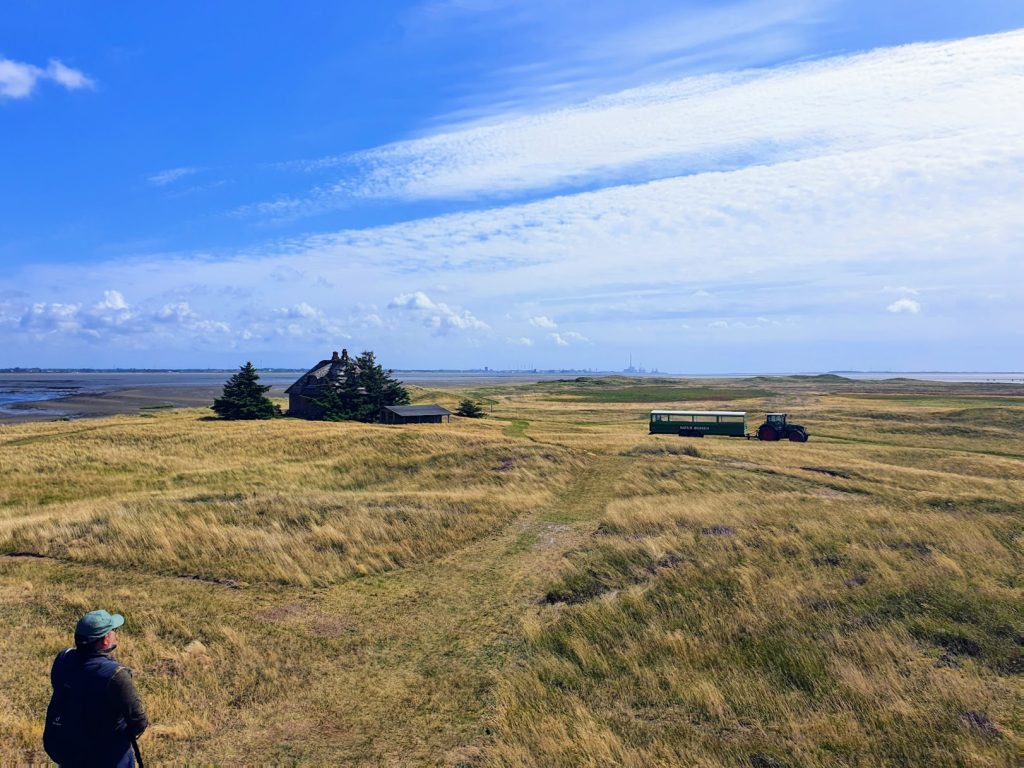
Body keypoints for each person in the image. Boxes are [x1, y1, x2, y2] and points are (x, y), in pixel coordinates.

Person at [44, 610, 149, 767]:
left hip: (72, 753)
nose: (115, 633)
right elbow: (138, 722)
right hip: (109, 758)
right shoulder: (116, 675)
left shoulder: (63, 658)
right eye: (113, 630)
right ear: (106, 640)